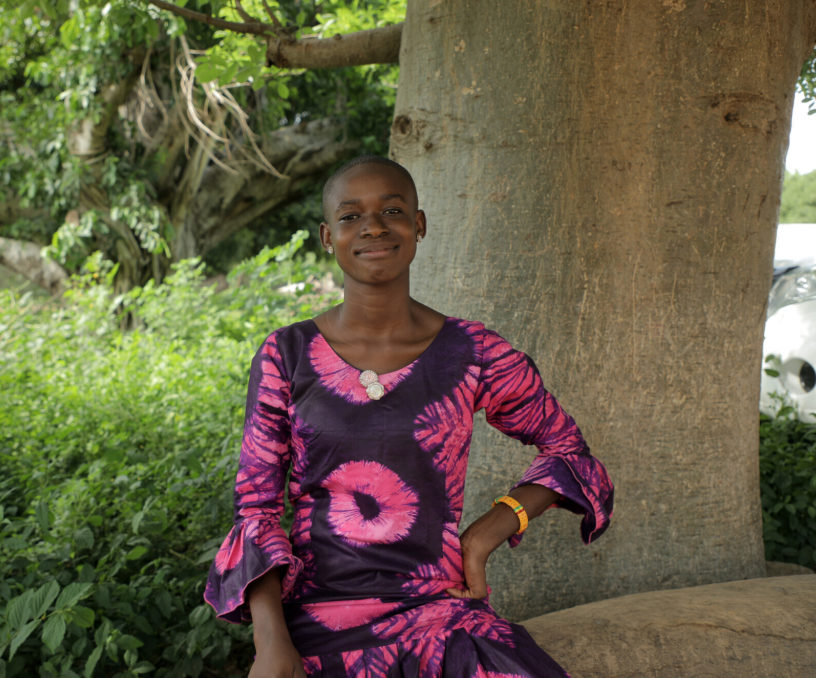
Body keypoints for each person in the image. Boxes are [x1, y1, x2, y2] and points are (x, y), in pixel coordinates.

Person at [204, 155, 614, 677]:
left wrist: (486, 533)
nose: (373, 226)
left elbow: (568, 451)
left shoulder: (474, 351)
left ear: (418, 226)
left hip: (440, 613)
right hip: (319, 620)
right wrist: (271, 644)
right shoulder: (287, 354)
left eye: (392, 210)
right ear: (328, 237)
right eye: (351, 216)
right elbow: (256, 513)